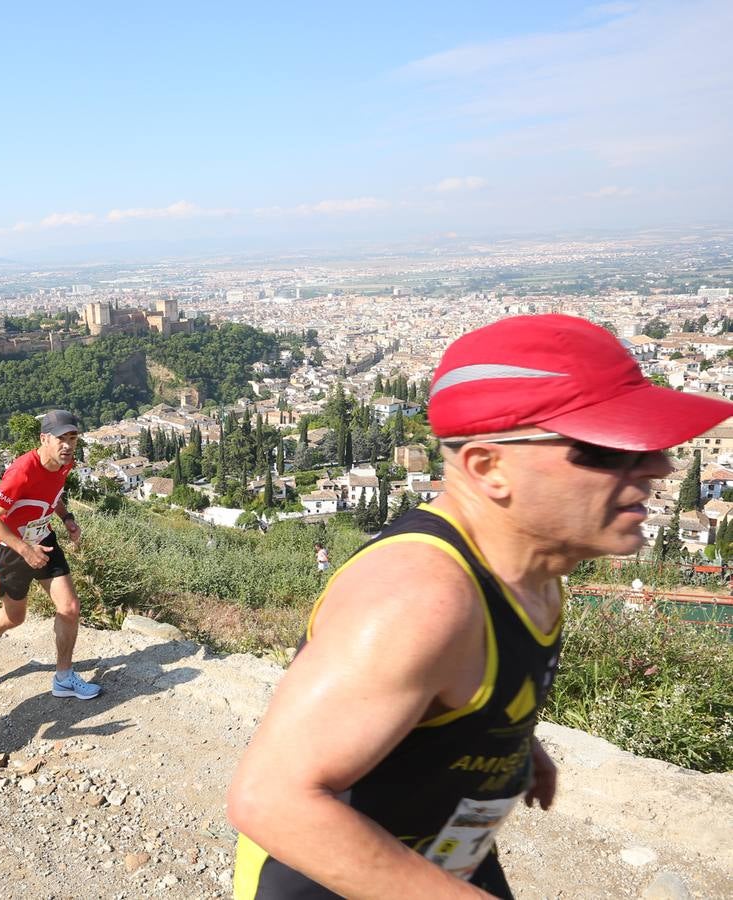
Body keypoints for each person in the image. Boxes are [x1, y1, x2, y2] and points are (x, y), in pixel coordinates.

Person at [227, 314, 733, 899]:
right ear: (489, 468)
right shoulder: (419, 599)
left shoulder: (531, 562)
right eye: (604, 448)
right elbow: (271, 799)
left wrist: (511, 742)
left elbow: (456, 689)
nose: (657, 466)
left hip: (438, 851)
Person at [0, 410, 100, 700]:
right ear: (44, 439)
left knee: (70, 607)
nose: (68, 445)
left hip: (43, 538)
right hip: (9, 550)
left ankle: (63, 677)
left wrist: (67, 519)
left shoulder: (66, 463)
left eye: (72, 438)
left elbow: (54, 495)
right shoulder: (22, 471)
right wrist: (25, 550)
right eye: (61, 438)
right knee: (15, 617)